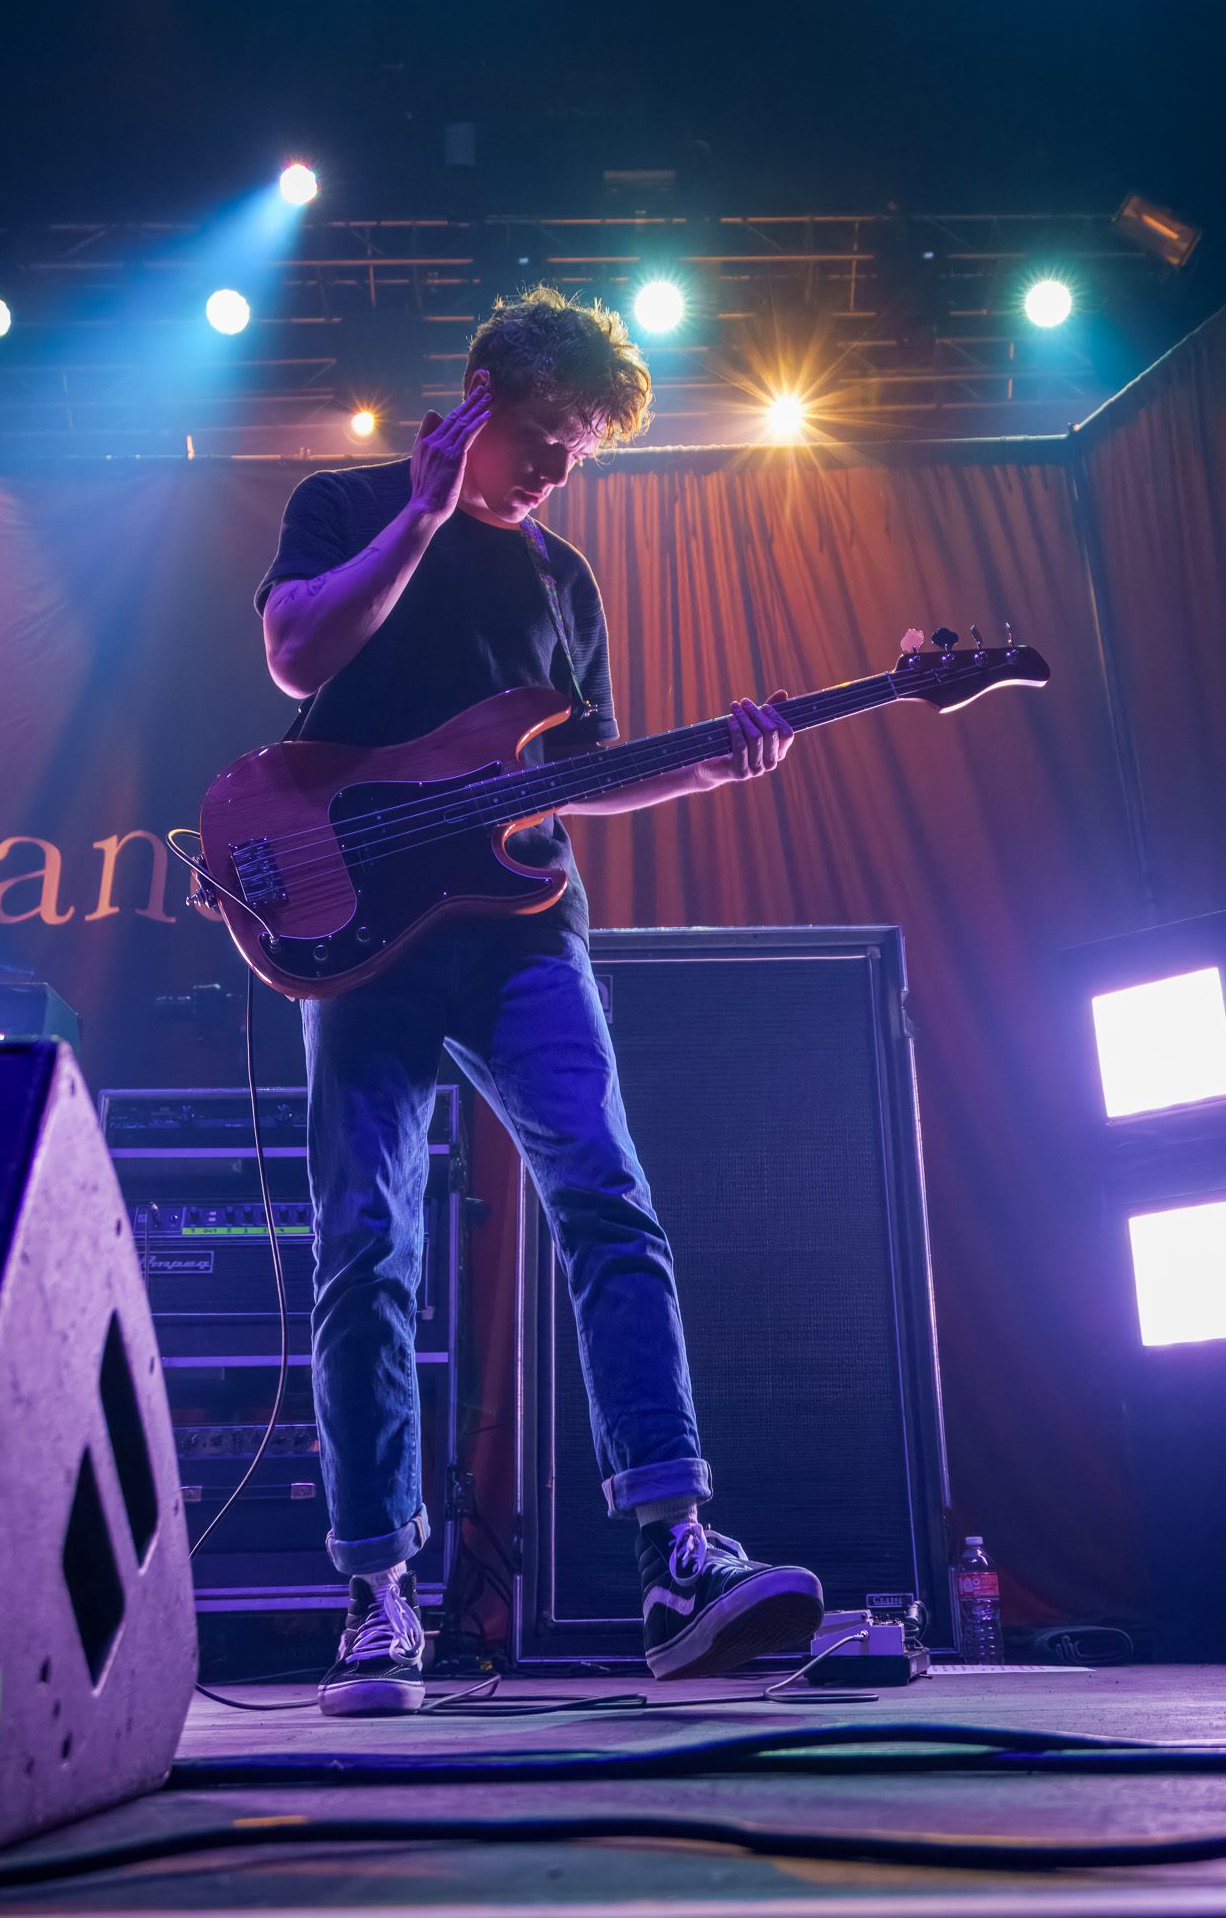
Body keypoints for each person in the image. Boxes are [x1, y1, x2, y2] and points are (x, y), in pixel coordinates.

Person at [256, 287, 824, 1715]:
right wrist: (423, 514)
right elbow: (297, 657)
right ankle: (377, 1594)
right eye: (544, 437)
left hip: (523, 931)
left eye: (582, 451)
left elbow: (584, 769)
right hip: (363, 936)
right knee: (364, 1246)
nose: (558, 471)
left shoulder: (564, 580)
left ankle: (673, 1553)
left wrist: (709, 765)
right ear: (475, 399)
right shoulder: (346, 505)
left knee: (607, 1198)